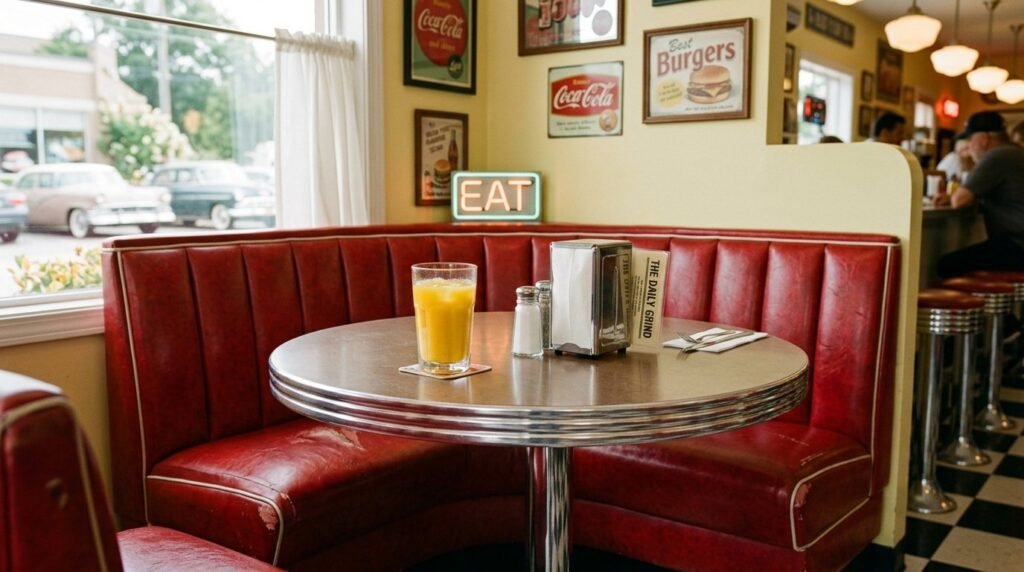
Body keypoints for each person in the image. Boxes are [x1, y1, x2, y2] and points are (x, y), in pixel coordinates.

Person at [937, 111, 1024, 278]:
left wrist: (956, 196)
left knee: (947, 265)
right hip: (1017, 244)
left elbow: (959, 201)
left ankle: (972, 304)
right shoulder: (1015, 152)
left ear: (984, 139)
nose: (968, 146)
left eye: (970, 140)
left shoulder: (996, 156)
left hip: (1017, 246)